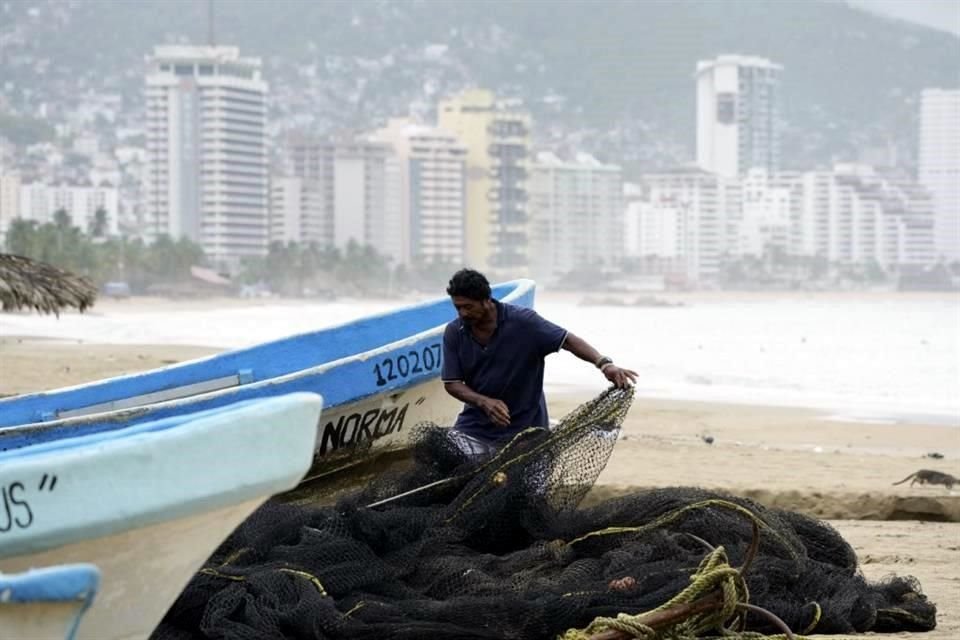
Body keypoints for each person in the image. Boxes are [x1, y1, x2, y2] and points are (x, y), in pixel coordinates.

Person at [441, 269, 637, 455]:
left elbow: (567, 340)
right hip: (474, 429)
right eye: (458, 307)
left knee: (527, 487)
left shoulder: (524, 322)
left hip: (526, 431)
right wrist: (483, 402)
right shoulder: (454, 332)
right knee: (449, 467)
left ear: (486, 300)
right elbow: (452, 383)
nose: (463, 313)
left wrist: (604, 364)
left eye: (468, 307)